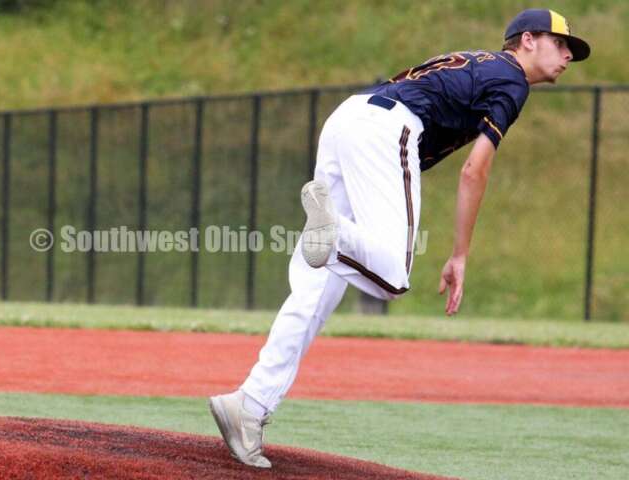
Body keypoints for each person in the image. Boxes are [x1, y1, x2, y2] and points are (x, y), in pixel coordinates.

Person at [208, 8, 590, 468]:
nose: (568, 54)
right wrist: (460, 255)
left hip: (349, 117)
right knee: (391, 273)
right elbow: (476, 169)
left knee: (315, 293)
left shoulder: (478, 62)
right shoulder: (512, 80)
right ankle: (335, 235)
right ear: (527, 39)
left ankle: (249, 405)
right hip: (388, 130)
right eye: (560, 42)